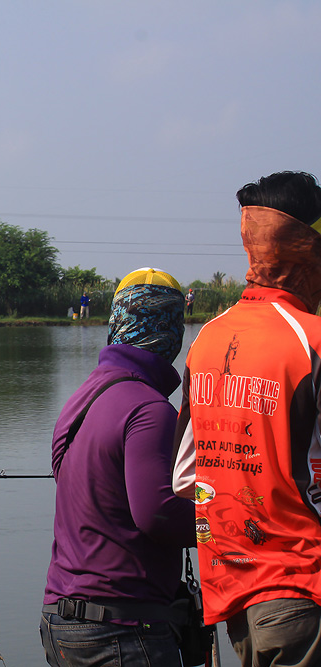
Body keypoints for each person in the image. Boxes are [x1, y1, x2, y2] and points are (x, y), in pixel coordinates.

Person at [172, 171, 321, 666]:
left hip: (231, 591)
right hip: (303, 590)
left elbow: (185, 477)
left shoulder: (207, 338)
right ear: (307, 248)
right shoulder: (311, 340)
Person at [41, 267, 195, 666]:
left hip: (61, 619)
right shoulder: (149, 408)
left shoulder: (83, 397)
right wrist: (227, 525)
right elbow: (158, 514)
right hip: (121, 630)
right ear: (170, 331)